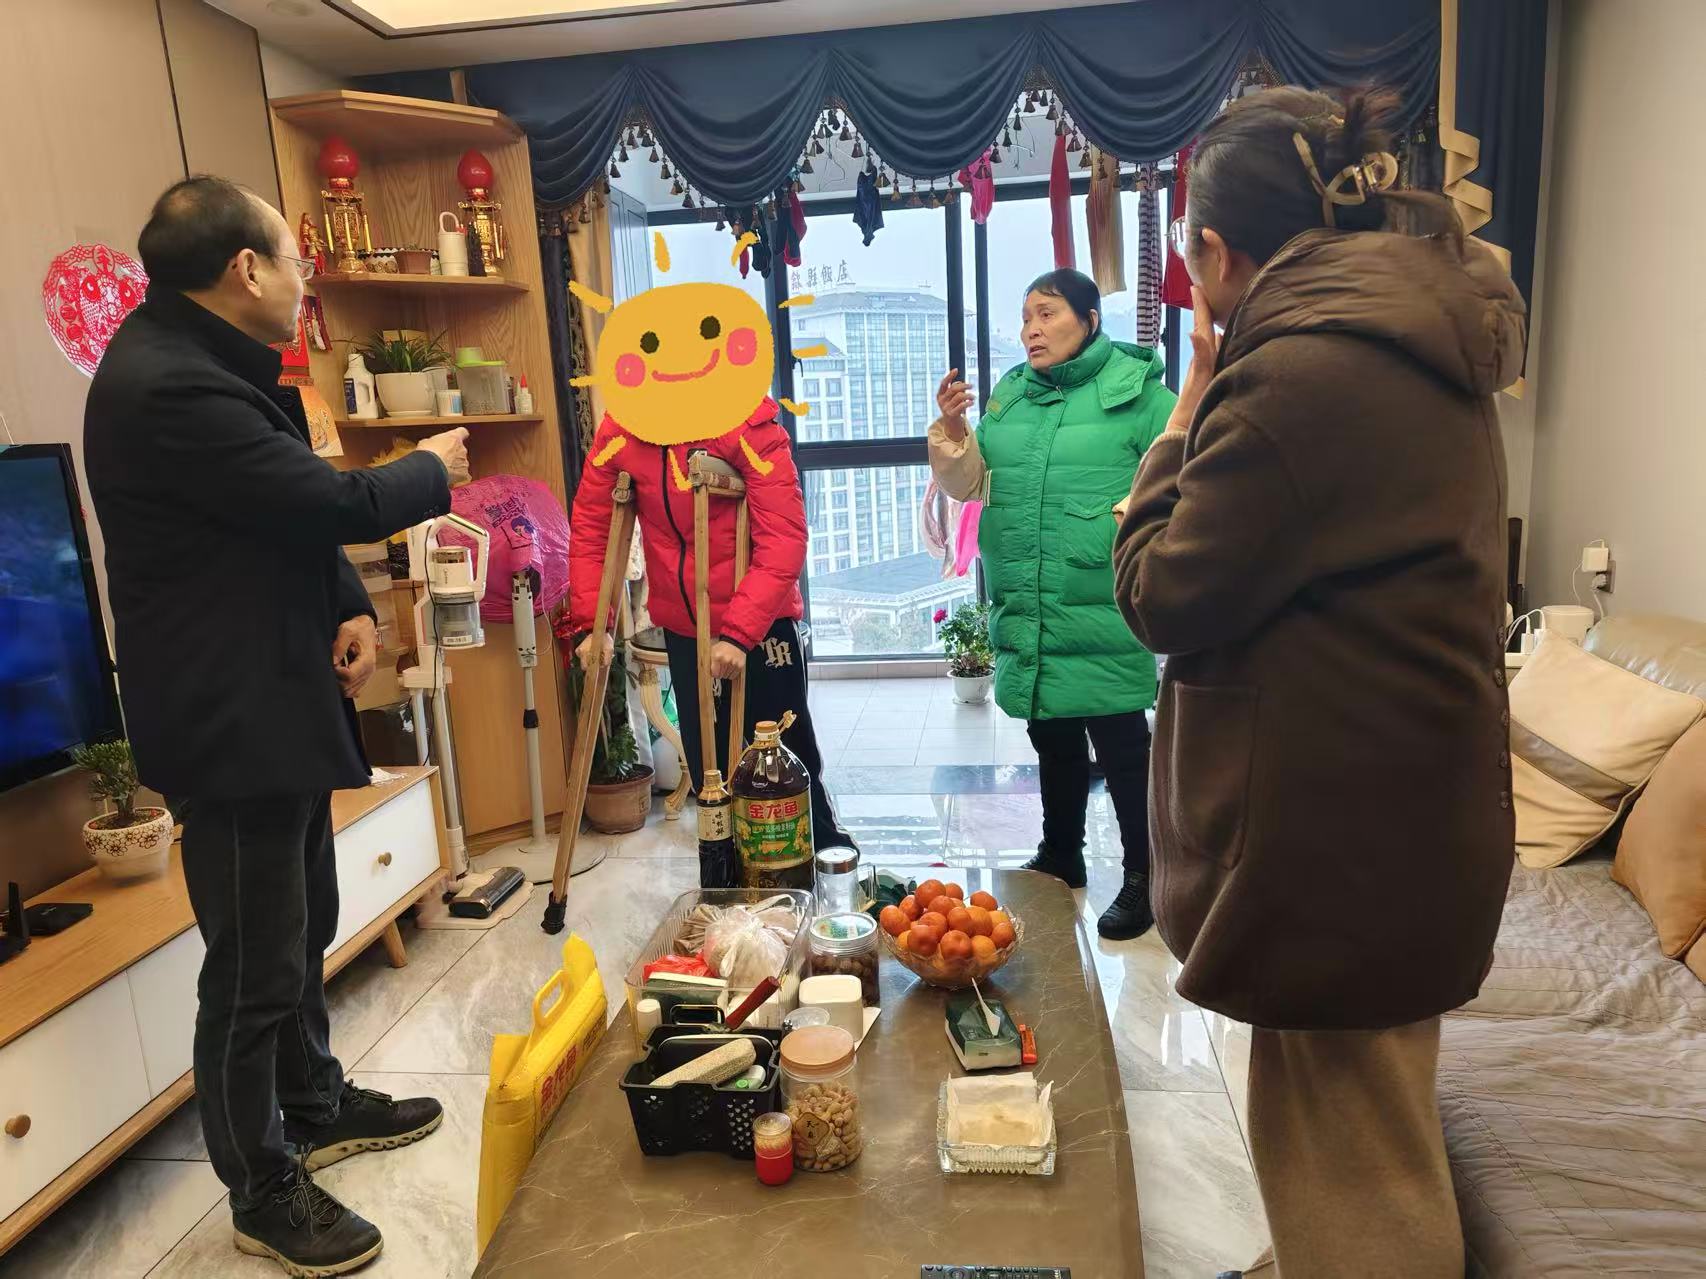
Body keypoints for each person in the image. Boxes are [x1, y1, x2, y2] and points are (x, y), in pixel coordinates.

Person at [1112, 88, 1523, 1279]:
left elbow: (1160, 589)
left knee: (1354, 1150)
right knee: (1353, 1113)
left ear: (1212, 251)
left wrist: (1183, 414)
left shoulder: (1296, 375)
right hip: (1394, 804)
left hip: (1339, 829)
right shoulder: (1402, 330)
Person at [85, 176, 472, 1277]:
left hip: (274, 689)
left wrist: (348, 606)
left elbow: (276, 507)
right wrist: (429, 470)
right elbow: (330, 502)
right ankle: (260, 1188)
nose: (304, 279)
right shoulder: (166, 384)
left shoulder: (210, 362)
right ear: (244, 269)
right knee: (252, 968)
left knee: (302, 929)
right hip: (230, 716)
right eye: (293, 261)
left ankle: (314, 1102)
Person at [563, 283, 852, 857]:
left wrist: (740, 634)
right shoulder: (623, 430)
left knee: (784, 752)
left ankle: (815, 851)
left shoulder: (748, 422)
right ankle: (726, 866)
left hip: (760, 625)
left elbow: (784, 538)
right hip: (684, 624)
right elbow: (593, 528)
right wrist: (589, 624)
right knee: (708, 760)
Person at [929, 268, 1175, 938]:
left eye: (1048, 313)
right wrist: (953, 429)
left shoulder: (1138, 394)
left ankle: (1145, 875)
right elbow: (973, 484)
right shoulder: (1012, 397)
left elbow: (1183, 470)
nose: (1031, 330)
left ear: (1090, 320)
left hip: (1101, 600)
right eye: (1026, 316)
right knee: (1052, 736)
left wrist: (1122, 520)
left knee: (1123, 749)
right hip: (1029, 596)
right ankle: (1061, 852)